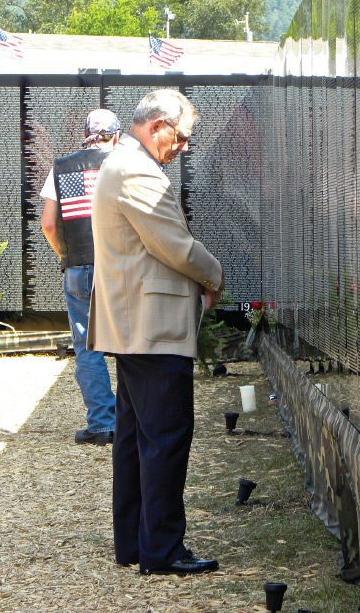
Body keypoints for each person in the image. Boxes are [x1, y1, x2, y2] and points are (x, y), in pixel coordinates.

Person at [88, 89, 224, 576]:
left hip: (134, 322)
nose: (184, 146)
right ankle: (163, 550)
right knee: (165, 437)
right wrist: (216, 275)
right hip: (152, 324)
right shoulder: (138, 170)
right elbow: (176, 246)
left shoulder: (121, 162)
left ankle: (136, 544)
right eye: (182, 136)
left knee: (136, 439)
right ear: (157, 125)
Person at [40, 109, 120, 445]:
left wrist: (64, 254)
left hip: (78, 267)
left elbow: (47, 223)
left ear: (85, 133)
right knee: (132, 344)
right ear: (115, 136)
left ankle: (102, 424)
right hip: (119, 268)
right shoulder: (123, 166)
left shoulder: (61, 167)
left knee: (88, 348)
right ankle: (135, 422)